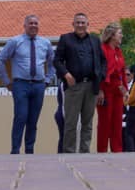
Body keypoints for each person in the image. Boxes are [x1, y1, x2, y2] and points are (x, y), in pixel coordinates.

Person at [0, 14, 56, 154]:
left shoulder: (45, 43)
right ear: (25, 26)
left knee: (33, 120)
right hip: (21, 85)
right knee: (21, 117)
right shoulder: (15, 41)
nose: (33, 26)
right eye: (30, 23)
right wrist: (6, 81)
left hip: (39, 85)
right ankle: (15, 151)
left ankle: (30, 151)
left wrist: (48, 79)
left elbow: (53, 63)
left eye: (36, 23)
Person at [54, 13, 107, 153]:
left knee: (87, 123)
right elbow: (57, 60)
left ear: (87, 24)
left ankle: (85, 152)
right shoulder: (66, 39)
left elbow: (103, 61)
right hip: (73, 86)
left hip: (91, 86)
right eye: (77, 22)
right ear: (73, 24)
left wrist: (100, 76)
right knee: (71, 123)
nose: (80, 25)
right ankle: (69, 152)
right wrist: (66, 74)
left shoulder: (95, 40)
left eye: (83, 22)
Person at [96, 23, 127, 153]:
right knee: (105, 122)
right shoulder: (102, 49)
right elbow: (99, 71)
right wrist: (100, 90)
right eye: (120, 33)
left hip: (117, 89)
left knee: (117, 121)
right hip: (106, 88)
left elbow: (122, 71)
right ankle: (102, 150)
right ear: (112, 35)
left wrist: (125, 89)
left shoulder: (118, 51)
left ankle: (117, 150)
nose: (122, 36)